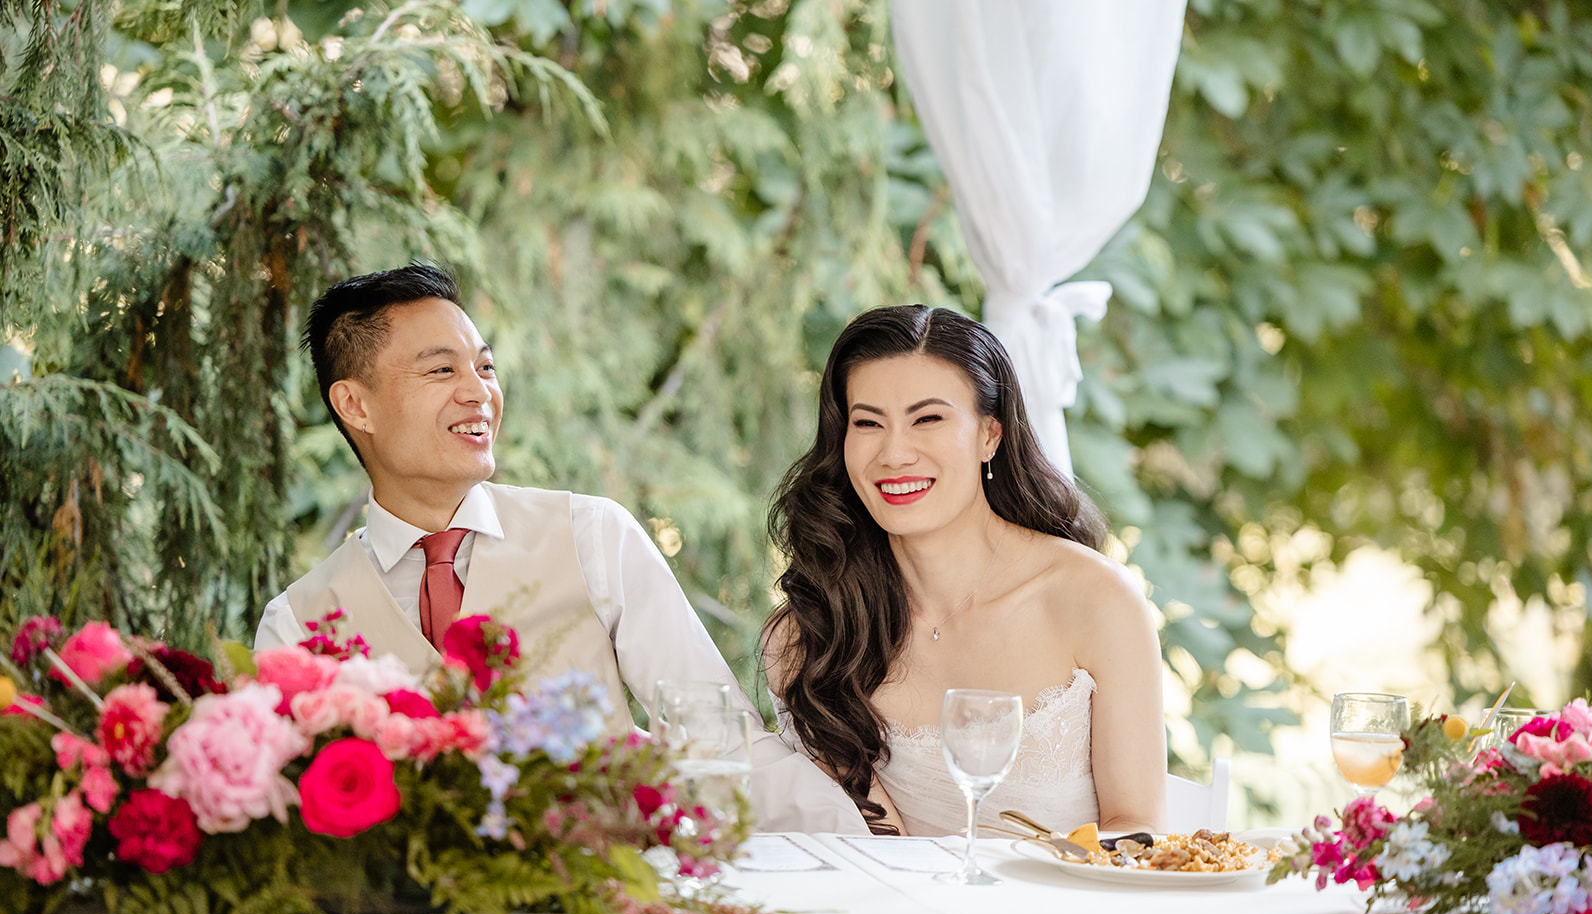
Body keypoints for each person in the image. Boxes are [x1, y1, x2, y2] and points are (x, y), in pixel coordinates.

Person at [256, 264, 868, 834]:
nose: (479, 392)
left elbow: (717, 737)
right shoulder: (296, 624)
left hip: (608, 902)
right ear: (355, 405)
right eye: (442, 371)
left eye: (485, 367)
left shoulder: (594, 536)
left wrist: (862, 844)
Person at [763, 305, 1167, 836]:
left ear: (990, 435)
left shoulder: (1095, 600)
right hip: (893, 893)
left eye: (927, 419)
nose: (894, 453)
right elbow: (880, 847)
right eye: (868, 423)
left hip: (1073, 892)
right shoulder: (812, 634)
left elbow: (1136, 829)